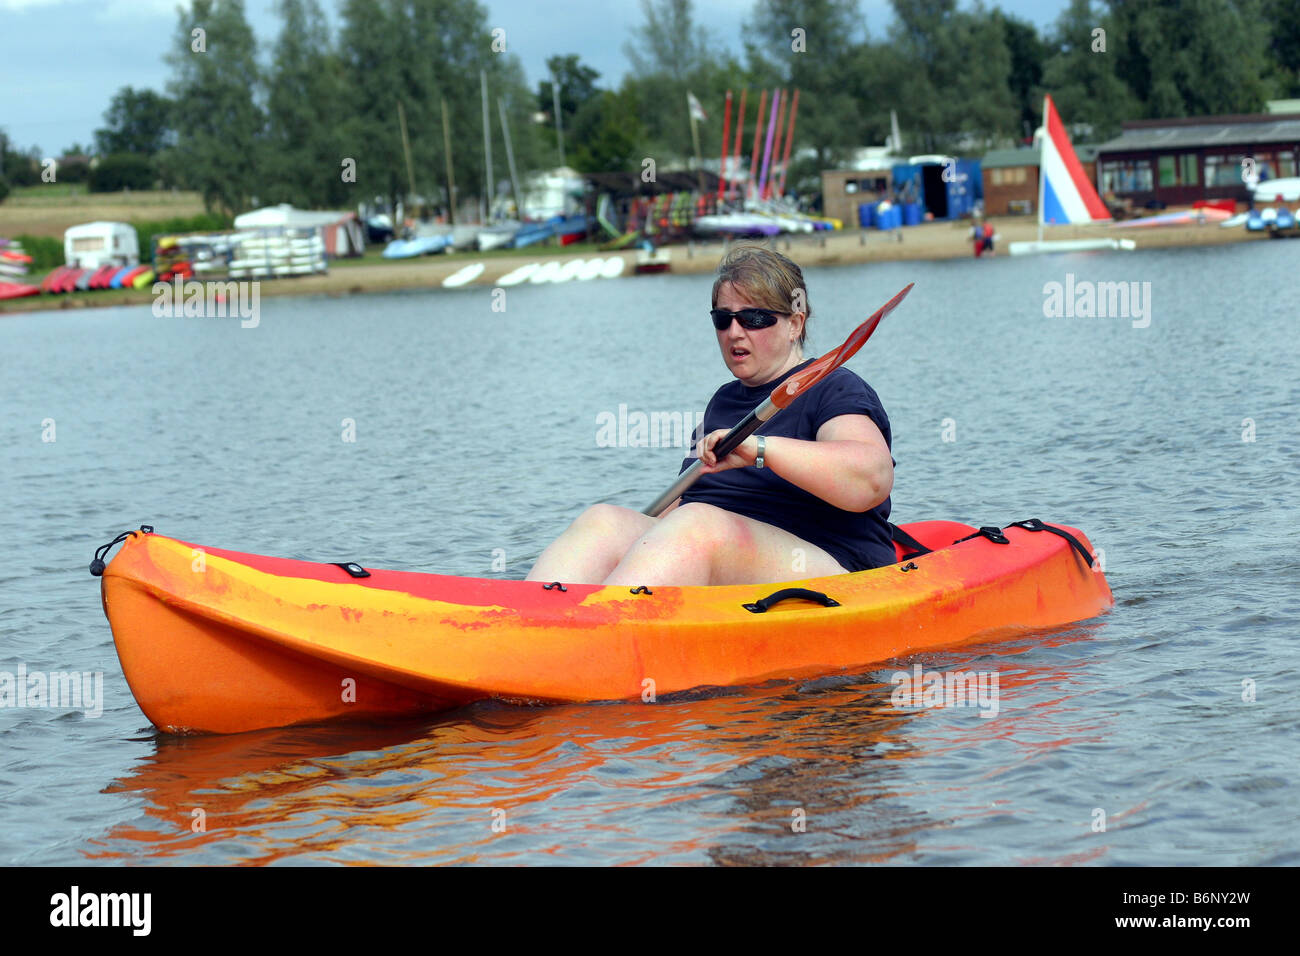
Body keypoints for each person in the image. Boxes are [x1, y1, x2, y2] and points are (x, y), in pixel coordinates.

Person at [525, 244, 896, 587]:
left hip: (832, 565)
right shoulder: (723, 401)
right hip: (723, 550)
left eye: (753, 318)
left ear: (795, 324)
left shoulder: (836, 388)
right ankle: (528, 624)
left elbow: (871, 479)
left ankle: (603, 632)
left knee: (700, 524)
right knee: (604, 520)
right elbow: (684, 504)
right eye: (723, 319)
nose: (734, 332)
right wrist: (638, 541)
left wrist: (760, 449)